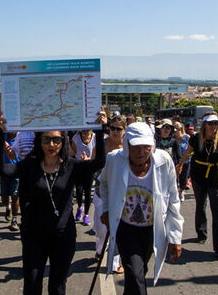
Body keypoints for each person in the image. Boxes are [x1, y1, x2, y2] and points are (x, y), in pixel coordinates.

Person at [0, 111, 107, 295]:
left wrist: (100, 129)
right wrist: (0, 134)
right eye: (46, 140)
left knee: (57, 286)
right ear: (39, 141)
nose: (51, 144)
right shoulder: (29, 165)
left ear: (63, 141)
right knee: (32, 285)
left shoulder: (71, 165)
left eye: (56, 140)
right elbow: (1, 169)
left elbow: (99, 162)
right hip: (33, 236)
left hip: (63, 237)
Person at [99, 122, 184, 295]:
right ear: (126, 144)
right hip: (125, 227)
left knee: (138, 272)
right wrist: (106, 209)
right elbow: (104, 184)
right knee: (135, 273)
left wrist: (175, 235)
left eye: (146, 147)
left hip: (151, 229)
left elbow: (173, 199)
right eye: (136, 147)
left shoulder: (163, 161)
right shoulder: (114, 160)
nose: (141, 152)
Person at [176, 113, 218, 256]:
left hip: (216, 179)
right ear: (205, 125)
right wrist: (180, 165)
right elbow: (187, 152)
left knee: (217, 210)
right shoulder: (196, 138)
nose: (214, 126)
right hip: (198, 177)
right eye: (211, 123)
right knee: (201, 205)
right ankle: (201, 232)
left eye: (216, 123)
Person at [93, 115, 125, 274]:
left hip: (120, 194)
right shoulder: (102, 144)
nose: (115, 131)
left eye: (118, 129)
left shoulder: (128, 147)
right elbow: (91, 163)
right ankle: (99, 249)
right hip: (100, 192)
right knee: (101, 228)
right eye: (112, 128)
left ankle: (114, 263)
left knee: (117, 230)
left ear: (124, 131)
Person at [70, 129, 97, 226]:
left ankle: (86, 215)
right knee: (79, 190)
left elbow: (96, 156)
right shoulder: (76, 138)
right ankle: (79, 208)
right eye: (83, 131)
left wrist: (88, 159)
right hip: (79, 167)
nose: (85, 133)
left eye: (87, 131)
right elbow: (72, 153)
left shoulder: (95, 137)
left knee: (88, 191)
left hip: (90, 167)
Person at [0, 130, 21, 231]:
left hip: (17, 171)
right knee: (4, 198)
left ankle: (14, 220)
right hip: (4, 171)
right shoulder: (3, 137)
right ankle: (7, 208)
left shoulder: (21, 136)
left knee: (15, 196)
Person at [174, 121, 191, 201]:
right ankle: (175, 193)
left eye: (177, 128)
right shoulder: (172, 139)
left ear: (180, 128)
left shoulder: (186, 137)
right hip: (176, 162)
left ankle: (181, 192)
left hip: (186, 161)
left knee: (184, 179)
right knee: (175, 179)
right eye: (174, 128)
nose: (176, 130)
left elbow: (192, 148)